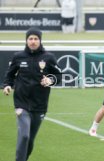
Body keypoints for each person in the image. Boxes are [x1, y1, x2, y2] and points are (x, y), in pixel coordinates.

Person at [3, 27, 62, 161]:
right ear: (26, 40)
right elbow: (10, 74)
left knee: (29, 140)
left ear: (40, 41)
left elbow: (59, 76)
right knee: (24, 135)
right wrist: (7, 85)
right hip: (21, 103)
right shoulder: (18, 56)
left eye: (36, 39)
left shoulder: (49, 57)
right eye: (30, 38)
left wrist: (50, 79)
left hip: (40, 104)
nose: (33, 41)